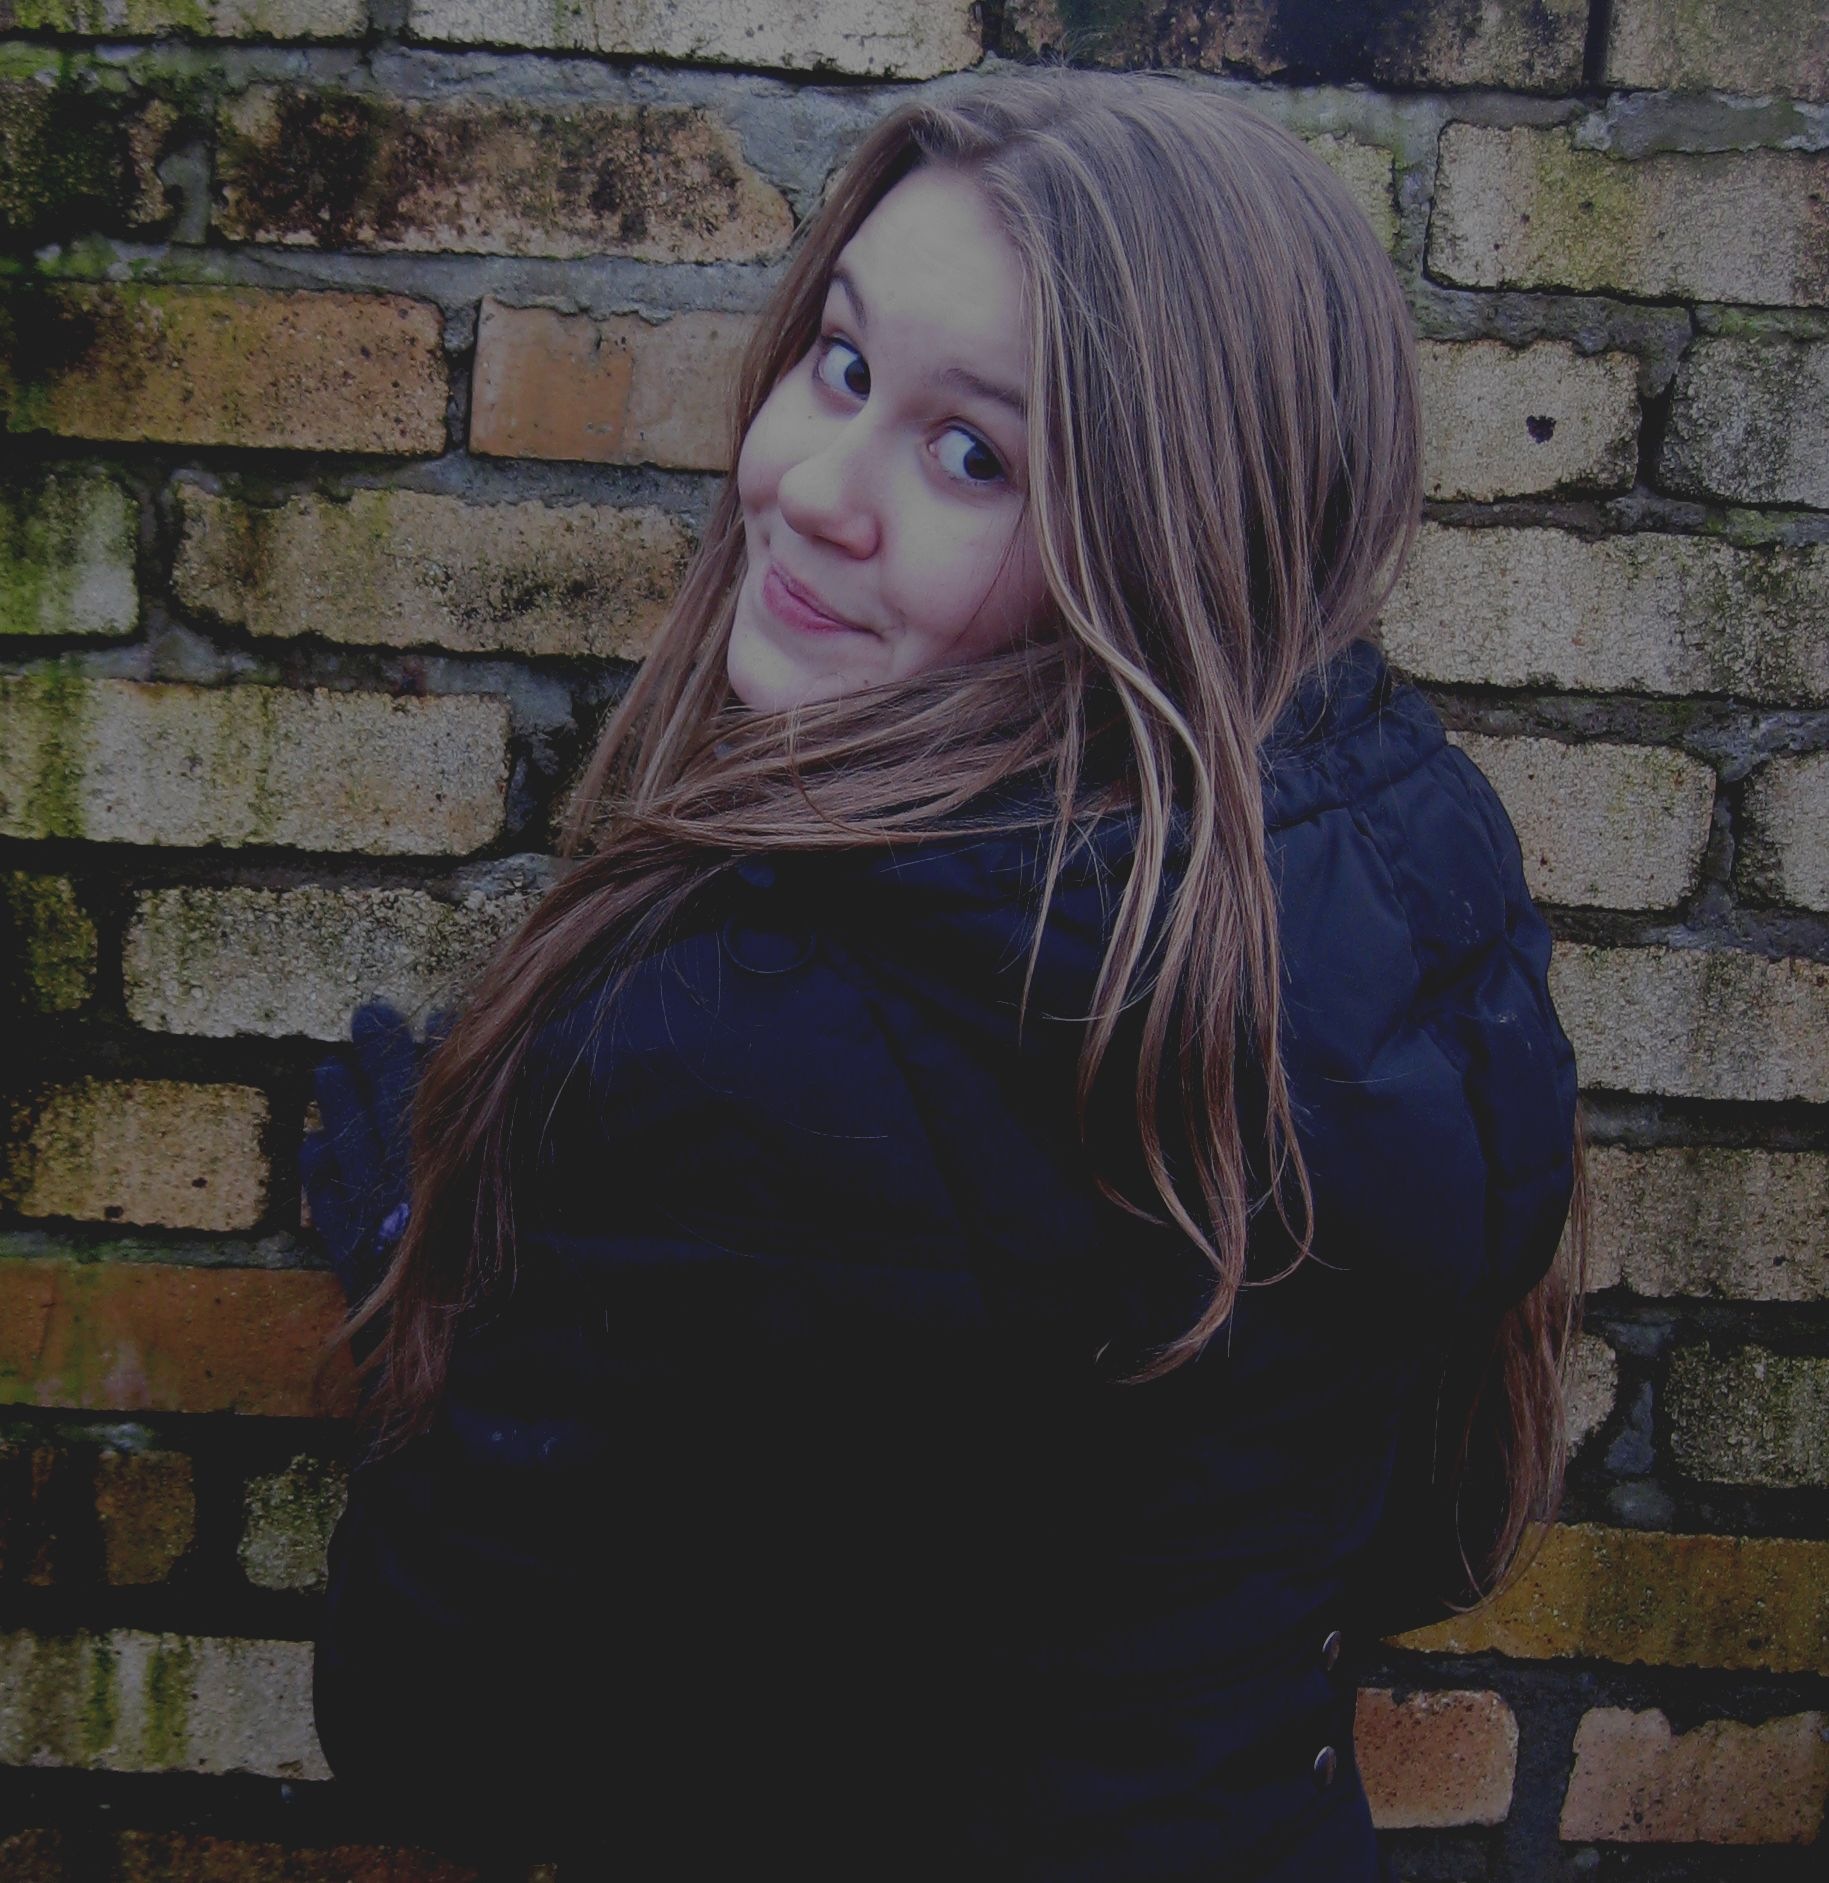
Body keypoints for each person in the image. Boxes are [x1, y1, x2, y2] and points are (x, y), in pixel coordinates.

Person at [304, 64, 1587, 1880]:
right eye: (840, 364)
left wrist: (431, 1317)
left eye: (973, 452)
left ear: (1171, 536)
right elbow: (1394, 1536)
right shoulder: (1414, 872)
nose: (812, 485)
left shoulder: (736, 1041)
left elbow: (450, 1745)